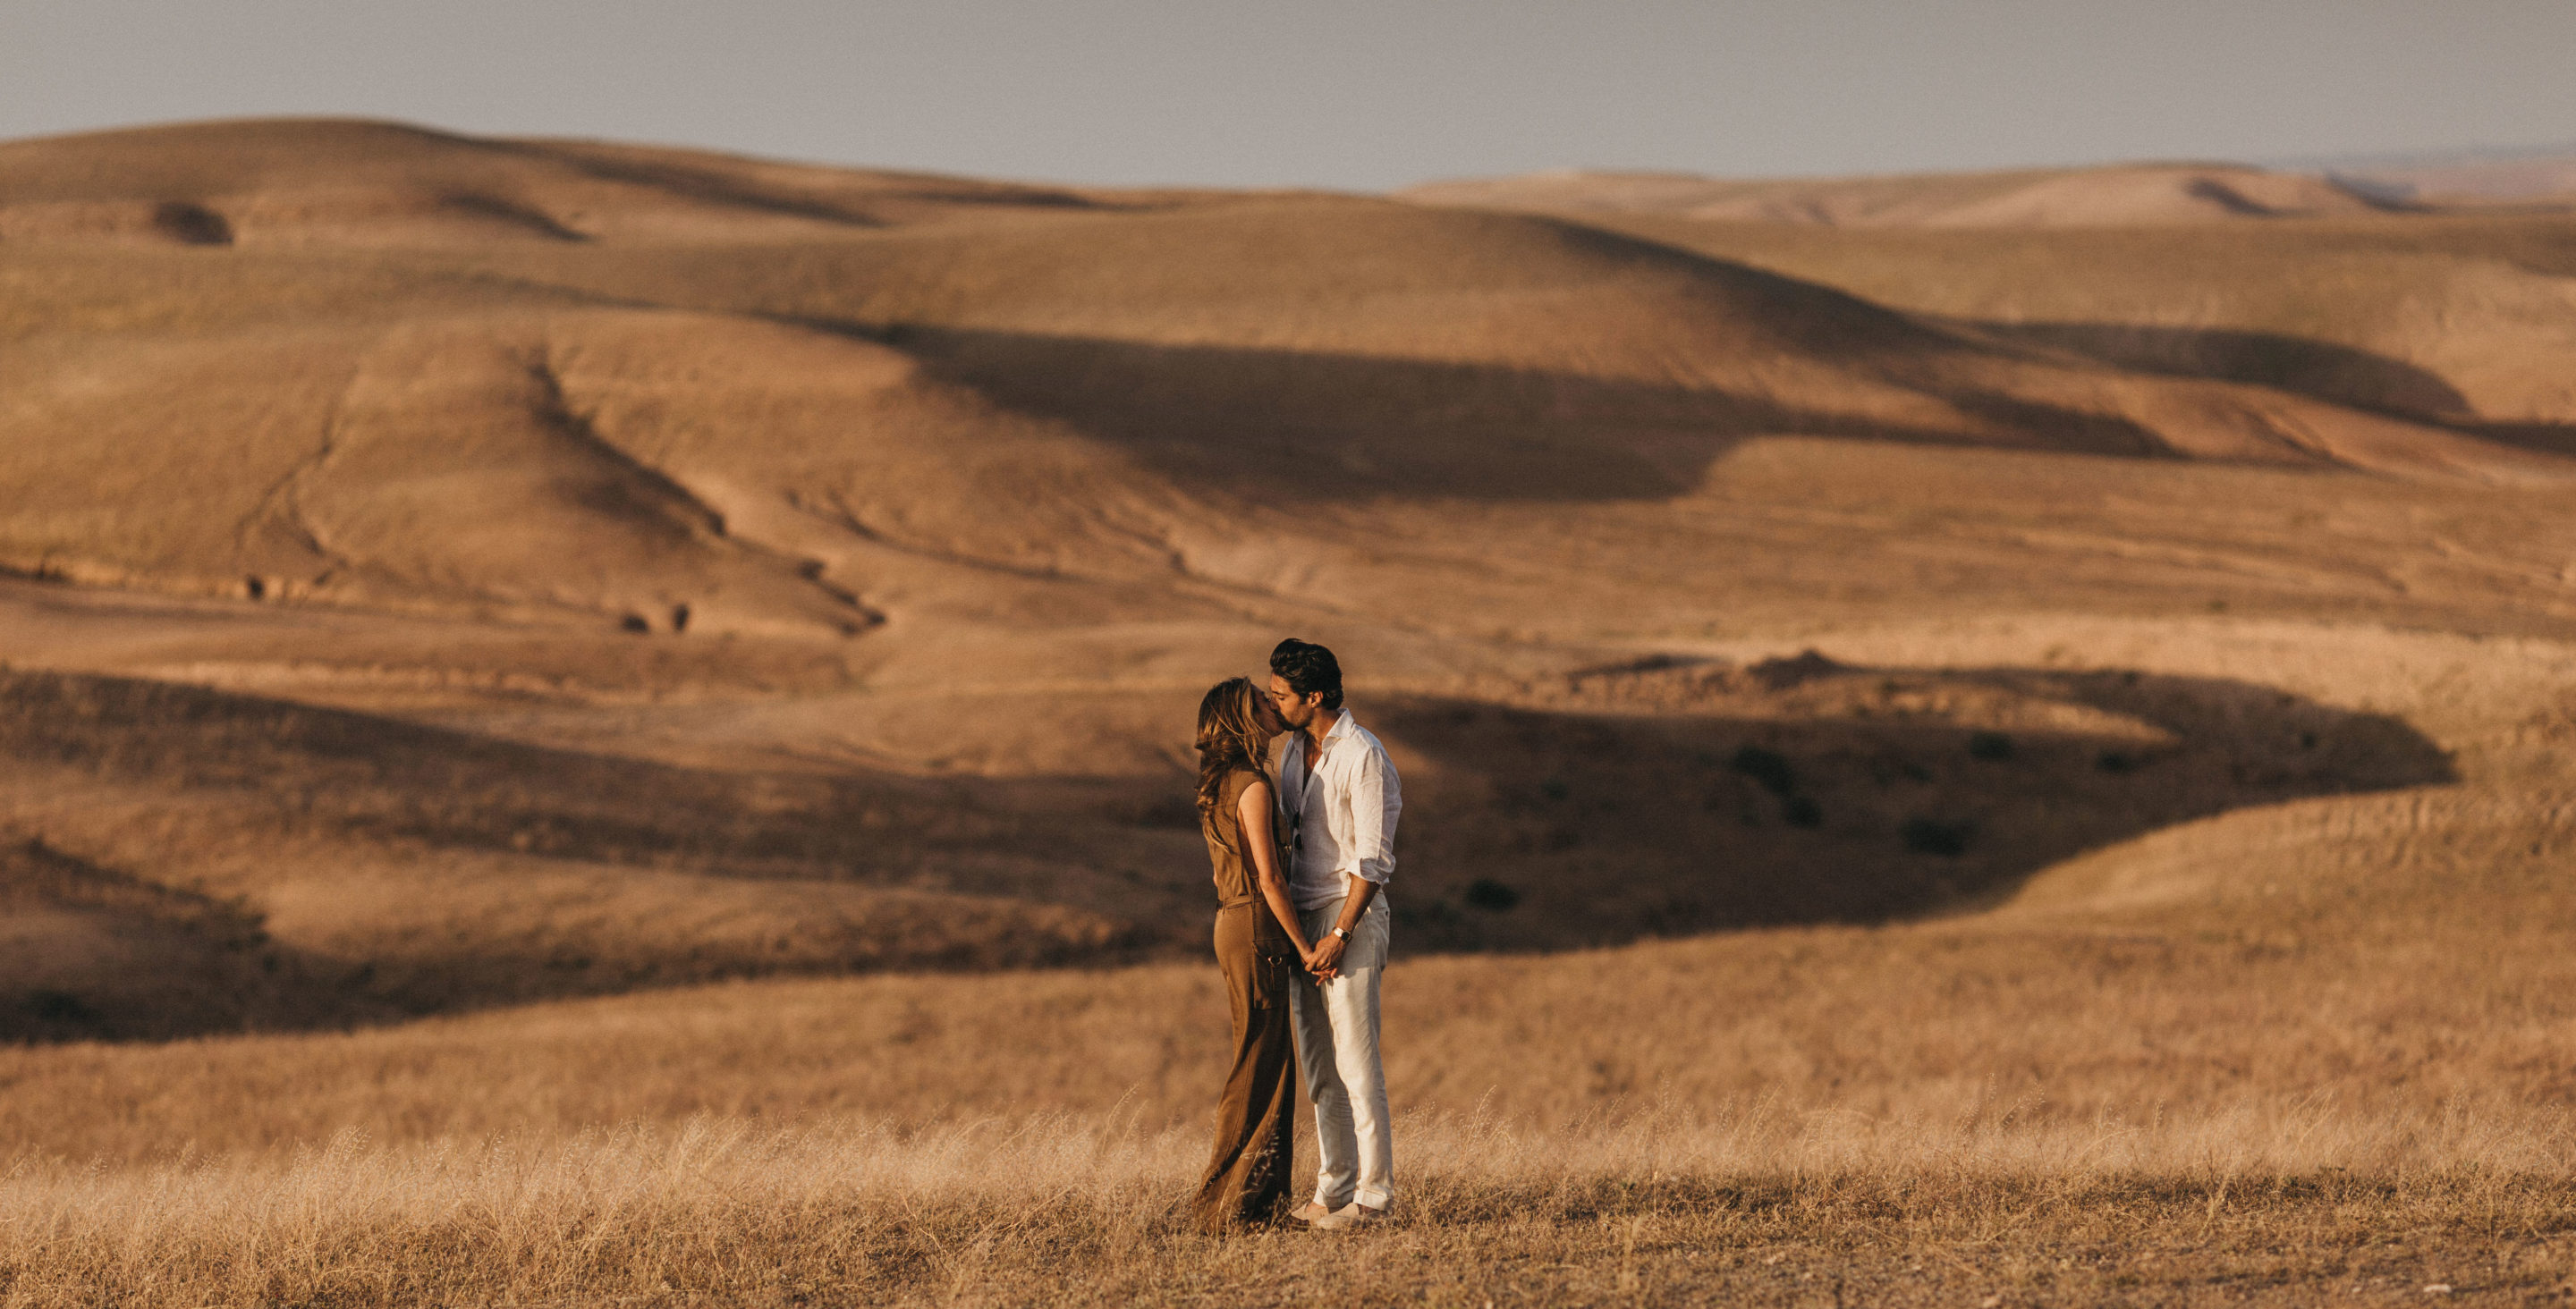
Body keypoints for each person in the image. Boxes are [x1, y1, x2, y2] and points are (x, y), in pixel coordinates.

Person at [1267, 638, 1402, 1231]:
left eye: (1282, 695)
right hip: (1302, 921)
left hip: (1350, 918)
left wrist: (1341, 933)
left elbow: (1373, 858)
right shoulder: (1292, 751)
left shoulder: (1363, 754)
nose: (1274, 703)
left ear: (1315, 696)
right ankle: (1334, 1188)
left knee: (1357, 1062)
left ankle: (1374, 1198)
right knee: (1320, 1066)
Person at [1187, 675, 1322, 1232]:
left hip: (1232, 921)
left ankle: (1255, 1202)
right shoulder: (1252, 785)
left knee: (1268, 1059)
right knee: (1259, 1063)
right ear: (1244, 719)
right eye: (1263, 701)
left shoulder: (1221, 782)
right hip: (1257, 924)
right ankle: (1225, 1207)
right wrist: (1305, 946)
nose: (1273, 705)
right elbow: (1269, 878)